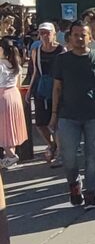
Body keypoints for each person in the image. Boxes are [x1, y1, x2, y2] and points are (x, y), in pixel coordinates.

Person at [50, 21, 95, 209]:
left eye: (83, 35)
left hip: (94, 115)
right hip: (67, 115)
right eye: (76, 34)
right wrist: (53, 114)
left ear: (90, 37)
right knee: (68, 155)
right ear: (69, 37)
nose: (79, 38)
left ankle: (90, 191)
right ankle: (73, 183)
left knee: (94, 155)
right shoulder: (62, 60)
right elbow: (57, 88)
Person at [25, 22, 66, 165]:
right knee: (40, 123)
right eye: (41, 33)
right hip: (42, 89)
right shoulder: (37, 51)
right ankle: (52, 144)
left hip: (58, 88)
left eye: (47, 32)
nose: (44, 36)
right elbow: (35, 71)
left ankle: (60, 152)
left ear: (54, 33)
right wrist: (30, 90)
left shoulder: (61, 50)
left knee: (58, 123)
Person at [0, 38, 27, 169]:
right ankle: (9, 157)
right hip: (14, 95)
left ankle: (11, 155)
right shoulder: (16, 65)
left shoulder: (0, 65)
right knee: (12, 127)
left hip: (2, 96)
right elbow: (19, 84)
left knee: (2, 128)